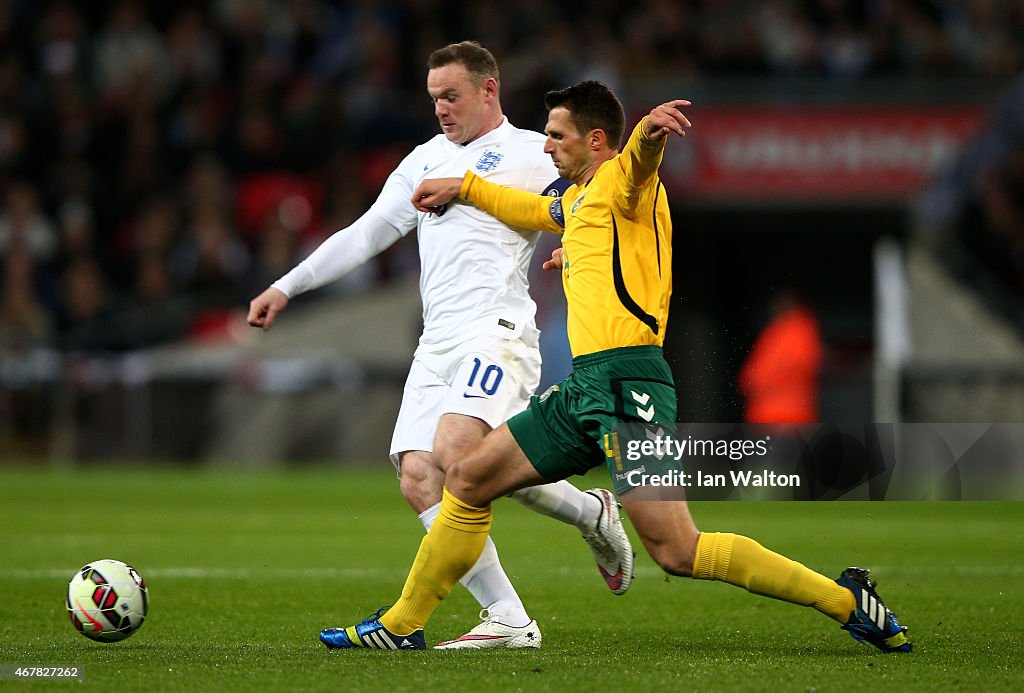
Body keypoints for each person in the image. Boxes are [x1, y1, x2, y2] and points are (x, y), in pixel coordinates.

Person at [319, 80, 912, 654]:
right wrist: (469, 188)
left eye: (557, 135)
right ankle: (402, 624)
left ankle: (846, 601)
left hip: (632, 387)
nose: (546, 145)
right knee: (469, 479)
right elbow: (523, 205)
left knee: (678, 551)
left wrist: (650, 133)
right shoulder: (575, 201)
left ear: (597, 141)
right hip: (585, 387)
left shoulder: (623, 183)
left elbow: (639, 165)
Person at [247, 43, 634, 650]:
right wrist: (286, 286)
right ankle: (515, 608)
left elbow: (600, 206)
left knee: (460, 457)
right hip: (437, 343)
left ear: (489, 90)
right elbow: (367, 233)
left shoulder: (535, 152)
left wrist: (581, 254)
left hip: (498, 333)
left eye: (451, 96)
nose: (441, 110)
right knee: (419, 476)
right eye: (433, 99)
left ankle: (428, 615)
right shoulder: (424, 160)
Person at [738, 288, 824, 423]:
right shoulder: (776, 331)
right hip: (768, 414)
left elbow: (800, 365)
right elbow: (753, 372)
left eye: (781, 303)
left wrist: (759, 380)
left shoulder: (800, 330)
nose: (776, 308)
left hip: (788, 416)